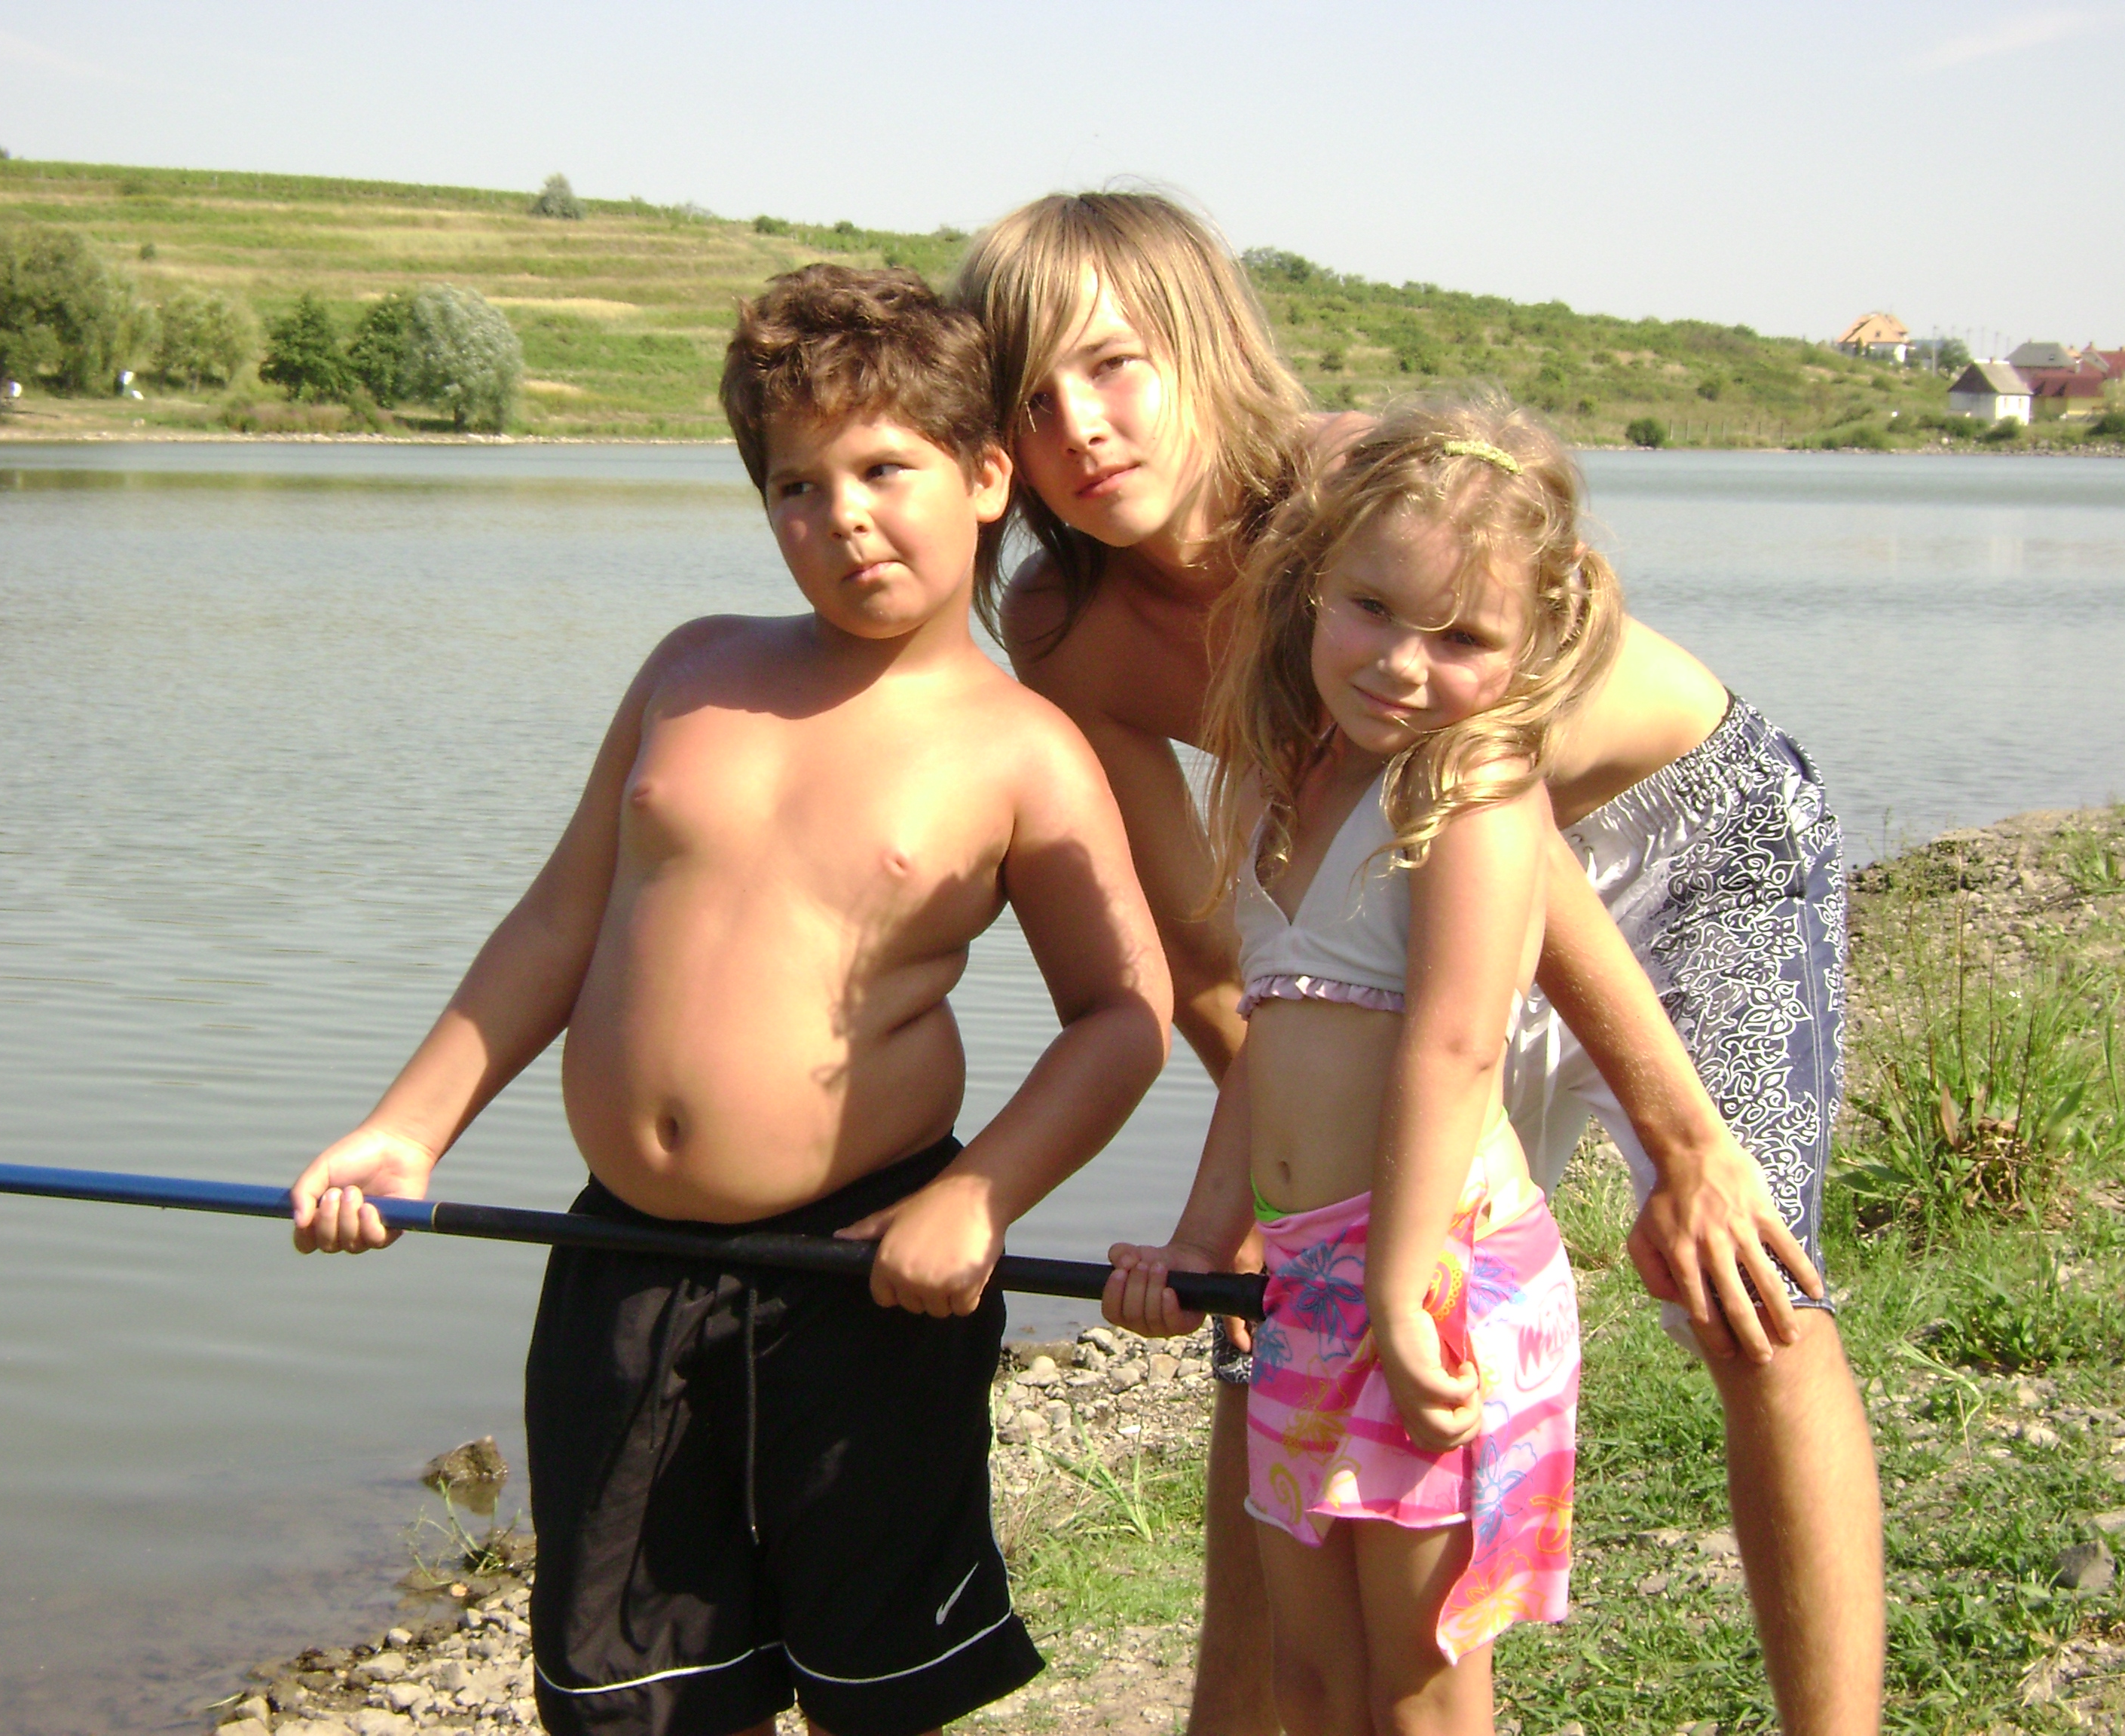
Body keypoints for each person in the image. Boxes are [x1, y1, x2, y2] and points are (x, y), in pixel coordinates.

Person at [953, 192, 1882, 1736]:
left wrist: (1685, 1144)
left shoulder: (1369, 490)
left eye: (1113, 365)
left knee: (1745, 1289)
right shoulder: (1065, 624)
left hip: (1669, 837)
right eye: (1032, 400)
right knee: (1278, 1326)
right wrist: (1280, 1208)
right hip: (1398, 905)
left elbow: (1511, 830)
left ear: (1205, 342)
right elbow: (1219, 956)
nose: (1083, 429)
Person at [289, 264, 1173, 1736]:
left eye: (884, 469)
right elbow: (557, 922)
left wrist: (982, 1198)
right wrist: (408, 1128)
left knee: (876, 1691)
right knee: (639, 1695)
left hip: (869, 1278)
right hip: (621, 1263)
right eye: (795, 488)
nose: (843, 518)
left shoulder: (1026, 748)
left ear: (986, 477)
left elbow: (1123, 1014)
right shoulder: (693, 670)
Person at [1165, 402, 1610, 1733]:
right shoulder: (1281, 785)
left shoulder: (1474, 797)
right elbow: (1269, 1042)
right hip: (1310, 1276)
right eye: (1371, 608)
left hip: (1438, 1272)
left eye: (1463, 637)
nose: (1405, 664)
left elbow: (1457, 1046)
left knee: (1418, 1672)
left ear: (1535, 647)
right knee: (1309, 1673)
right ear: (1312, 585)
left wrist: (1403, 1292)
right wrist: (1202, 1238)